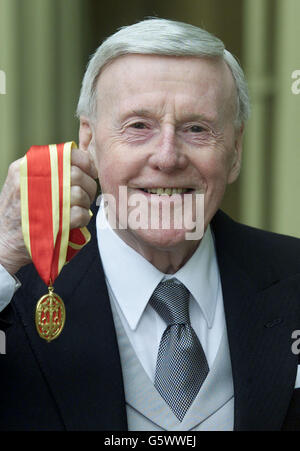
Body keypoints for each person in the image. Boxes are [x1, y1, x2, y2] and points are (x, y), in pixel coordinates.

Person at [0, 18, 300, 432]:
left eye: (197, 129)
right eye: (139, 126)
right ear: (88, 141)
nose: (167, 157)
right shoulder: (15, 283)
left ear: (235, 151)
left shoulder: (294, 275)